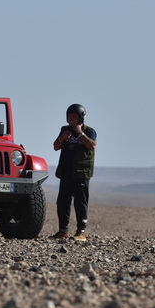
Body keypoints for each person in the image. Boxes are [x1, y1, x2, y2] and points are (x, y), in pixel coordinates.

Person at [50, 103, 97, 241]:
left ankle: (80, 232)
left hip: (81, 172)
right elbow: (55, 147)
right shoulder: (64, 130)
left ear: (81, 118)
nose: (71, 118)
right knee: (62, 202)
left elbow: (92, 146)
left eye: (74, 116)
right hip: (66, 171)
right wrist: (61, 138)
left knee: (80, 202)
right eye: (69, 116)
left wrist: (80, 133)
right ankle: (63, 231)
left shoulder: (89, 131)